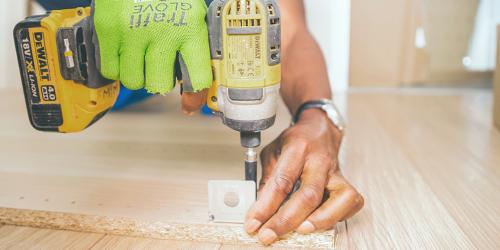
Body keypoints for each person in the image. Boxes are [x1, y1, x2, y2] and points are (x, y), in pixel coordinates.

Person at [37, 0, 364, 245]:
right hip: (108, 56)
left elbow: (286, 33)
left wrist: (317, 115)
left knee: (214, 86)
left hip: (204, 60)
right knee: (120, 85)